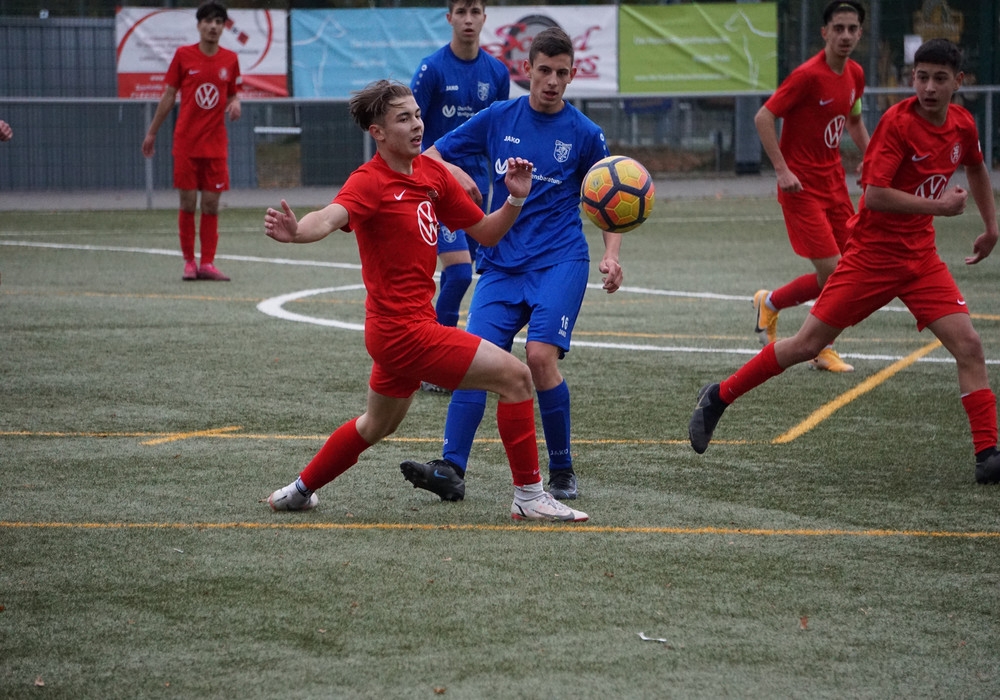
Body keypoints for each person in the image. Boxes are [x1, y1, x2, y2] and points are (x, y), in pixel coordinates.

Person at [264, 79, 588, 523]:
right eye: (404, 119)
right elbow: (328, 217)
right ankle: (530, 497)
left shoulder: (432, 176)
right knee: (516, 378)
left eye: (417, 115)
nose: (418, 124)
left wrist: (516, 196)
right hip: (404, 333)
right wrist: (298, 231)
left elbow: (487, 233)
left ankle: (299, 491)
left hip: (400, 332)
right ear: (378, 133)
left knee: (376, 424)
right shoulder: (369, 181)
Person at [689, 38, 1000, 486]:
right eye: (922, 77)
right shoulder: (898, 123)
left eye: (940, 78)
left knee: (969, 345)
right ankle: (719, 396)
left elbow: (976, 167)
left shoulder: (962, 124)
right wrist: (940, 207)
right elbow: (874, 196)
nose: (929, 87)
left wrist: (991, 227)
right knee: (806, 345)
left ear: (959, 82)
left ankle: (988, 455)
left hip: (921, 260)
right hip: (871, 258)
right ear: (912, 79)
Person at [400, 27, 622, 503]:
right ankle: (450, 468)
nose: (552, 81)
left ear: (572, 75)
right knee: (475, 361)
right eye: (544, 71)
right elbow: (431, 155)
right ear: (527, 70)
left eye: (562, 73)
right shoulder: (499, 116)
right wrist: (455, 173)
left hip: (560, 260)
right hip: (501, 263)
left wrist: (611, 254)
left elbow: (610, 199)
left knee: (539, 358)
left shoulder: (586, 134)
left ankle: (561, 469)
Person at [751, 0, 870, 372]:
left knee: (848, 269)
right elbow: (763, 117)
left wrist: (872, 157)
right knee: (835, 272)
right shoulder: (807, 76)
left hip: (834, 184)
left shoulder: (855, 74)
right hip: (800, 189)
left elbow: (853, 120)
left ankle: (770, 302)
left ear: (860, 33)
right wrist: (782, 170)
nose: (845, 35)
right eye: (839, 28)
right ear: (825, 32)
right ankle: (822, 347)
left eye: (852, 29)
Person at [410, 0, 510, 393]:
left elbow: (499, 135)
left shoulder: (497, 72)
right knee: (457, 273)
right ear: (449, 17)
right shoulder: (431, 69)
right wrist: (444, 171)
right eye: (461, 12)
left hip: (479, 187)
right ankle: (435, 366)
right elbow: (410, 131)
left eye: (475, 11)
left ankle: (473, 360)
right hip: (437, 186)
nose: (468, 19)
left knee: (483, 274)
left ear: (484, 17)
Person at [142, 0, 241, 282]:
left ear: (223, 27)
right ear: (198, 25)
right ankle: (189, 262)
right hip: (186, 144)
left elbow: (233, 93)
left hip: (216, 146)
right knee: (187, 203)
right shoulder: (183, 56)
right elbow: (169, 95)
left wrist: (236, 103)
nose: (213, 26)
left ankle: (207, 263)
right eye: (208, 21)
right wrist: (152, 132)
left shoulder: (230, 59)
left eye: (218, 22)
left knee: (210, 204)